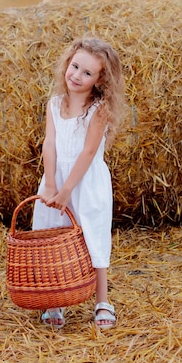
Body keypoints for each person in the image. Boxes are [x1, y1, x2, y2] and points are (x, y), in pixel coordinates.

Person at [32, 36, 127, 330]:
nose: (77, 75)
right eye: (75, 67)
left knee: (93, 238)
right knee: (52, 238)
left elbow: (87, 152)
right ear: (67, 64)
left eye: (87, 73)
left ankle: (102, 300)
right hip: (55, 179)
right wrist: (50, 185)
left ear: (100, 81)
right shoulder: (54, 104)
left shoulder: (98, 110)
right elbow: (49, 143)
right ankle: (54, 300)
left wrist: (68, 189)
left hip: (85, 183)